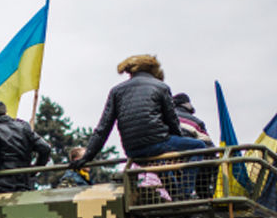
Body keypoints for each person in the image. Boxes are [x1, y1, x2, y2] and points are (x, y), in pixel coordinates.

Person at [71, 54, 206, 199]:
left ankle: (176, 195)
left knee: (160, 162)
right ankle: (185, 194)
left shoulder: (116, 91)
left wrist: (88, 156)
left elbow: (103, 128)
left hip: (132, 149)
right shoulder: (161, 87)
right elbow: (172, 122)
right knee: (198, 146)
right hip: (157, 143)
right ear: (152, 69)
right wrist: (176, 145)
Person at [173, 92, 216, 198]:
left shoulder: (164, 118)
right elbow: (209, 147)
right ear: (188, 105)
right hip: (193, 167)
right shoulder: (196, 122)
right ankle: (205, 196)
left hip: (170, 165)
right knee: (209, 160)